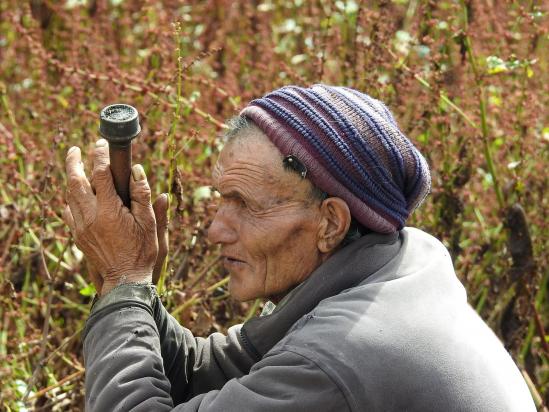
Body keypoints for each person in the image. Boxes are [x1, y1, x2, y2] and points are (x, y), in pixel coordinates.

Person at [64, 84, 535, 411]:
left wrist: (125, 281)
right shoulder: (400, 262)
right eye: (221, 200)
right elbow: (209, 373)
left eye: (245, 205)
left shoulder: (340, 356)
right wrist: (131, 290)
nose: (215, 231)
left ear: (330, 222)